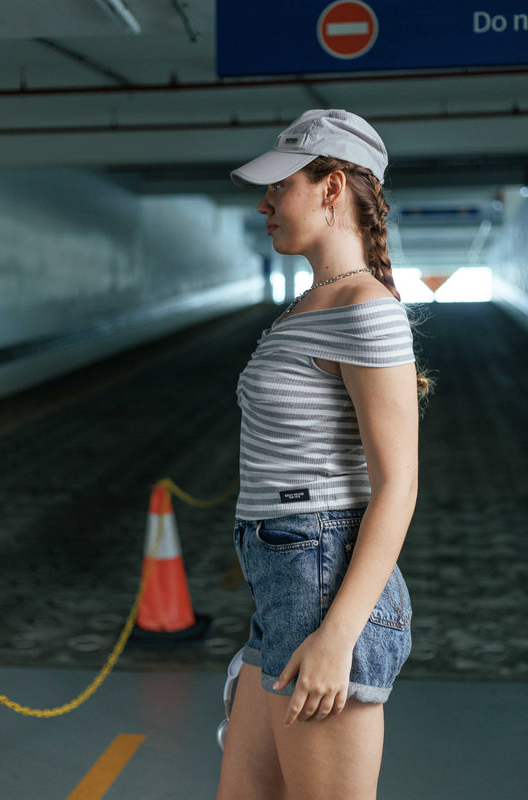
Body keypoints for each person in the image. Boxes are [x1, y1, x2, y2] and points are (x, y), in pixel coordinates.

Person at [217, 109, 429, 800]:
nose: (264, 202)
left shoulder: (363, 307)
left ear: (331, 186)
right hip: (286, 582)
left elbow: (397, 484)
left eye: (280, 186)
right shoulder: (314, 304)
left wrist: (336, 636)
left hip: (321, 583)